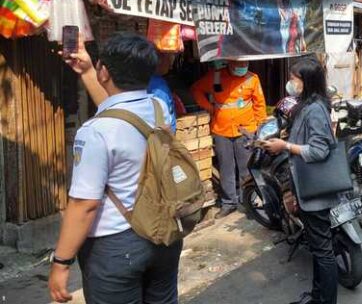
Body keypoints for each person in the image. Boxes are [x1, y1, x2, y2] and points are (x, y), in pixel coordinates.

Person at [48, 33, 177, 304]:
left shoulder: (95, 132)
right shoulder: (157, 109)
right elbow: (120, 110)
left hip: (116, 247)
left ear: (104, 71)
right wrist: (86, 70)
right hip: (163, 234)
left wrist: (61, 262)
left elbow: (84, 205)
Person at [262, 58, 339, 304]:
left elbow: (319, 151)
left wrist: (285, 145)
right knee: (318, 248)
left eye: (295, 78)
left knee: (323, 252)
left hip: (315, 189)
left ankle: (325, 300)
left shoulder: (315, 109)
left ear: (306, 81)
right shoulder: (307, 105)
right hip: (305, 186)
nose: (291, 82)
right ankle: (317, 297)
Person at [191, 60, 267, 219]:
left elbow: (259, 104)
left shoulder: (252, 78)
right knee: (226, 169)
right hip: (221, 130)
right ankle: (229, 203)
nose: (243, 67)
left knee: (246, 168)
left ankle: (249, 201)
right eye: (239, 65)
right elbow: (196, 89)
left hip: (246, 130)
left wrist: (261, 128)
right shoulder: (215, 76)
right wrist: (208, 107)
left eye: (245, 64)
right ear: (229, 63)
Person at [148, 52, 178, 132]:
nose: (170, 66)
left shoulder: (151, 81)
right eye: (169, 59)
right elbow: (163, 120)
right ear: (159, 61)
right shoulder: (158, 85)